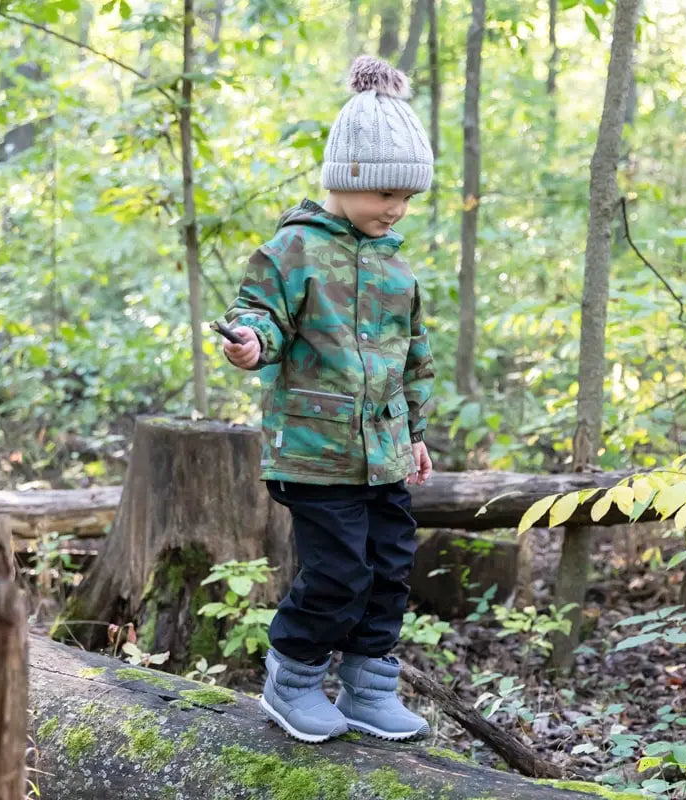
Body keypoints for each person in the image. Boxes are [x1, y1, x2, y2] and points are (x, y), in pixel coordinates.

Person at [218, 55, 435, 744]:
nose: (395, 209)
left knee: (391, 569)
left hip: (386, 451)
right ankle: (295, 679)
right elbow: (260, 314)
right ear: (347, 178)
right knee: (339, 571)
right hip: (316, 454)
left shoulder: (397, 266)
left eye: (407, 197)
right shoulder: (294, 250)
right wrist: (250, 342)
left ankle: (369, 689)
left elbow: (413, 355)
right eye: (384, 195)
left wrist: (416, 432)